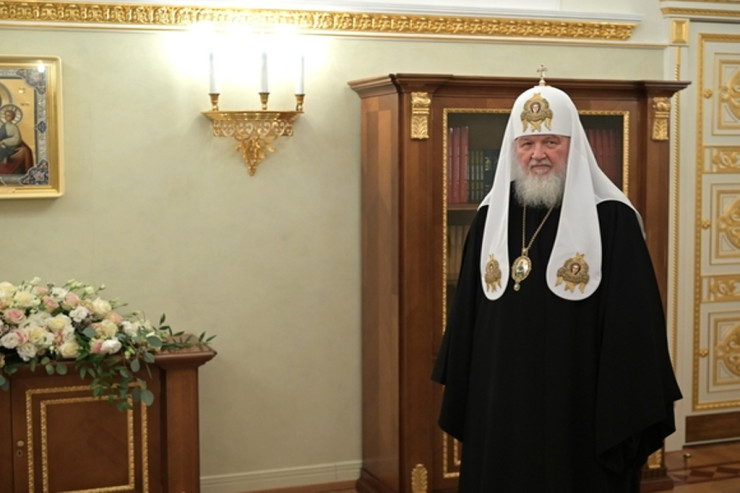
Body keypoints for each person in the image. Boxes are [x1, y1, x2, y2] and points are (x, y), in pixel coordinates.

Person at [431, 77, 681, 492]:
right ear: (514, 149)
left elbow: (633, 325)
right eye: (527, 144)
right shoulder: (491, 216)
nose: (538, 155)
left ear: (574, 145)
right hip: (501, 397)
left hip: (578, 399)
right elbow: (467, 315)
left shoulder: (612, 219)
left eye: (551, 142)